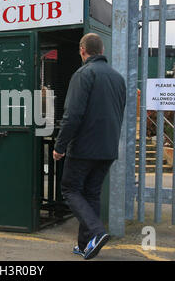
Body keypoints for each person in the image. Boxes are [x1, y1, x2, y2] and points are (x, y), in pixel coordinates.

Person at [53, 33, 126, 260]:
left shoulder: (83, 74)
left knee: (70, 189)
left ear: (82, 50)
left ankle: (97, 231)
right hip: (108, 148)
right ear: (101, 51)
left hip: (84, 147)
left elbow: (72, 115)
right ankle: (86, 245)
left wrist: (60, 145)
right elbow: (119, 113)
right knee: (91, 193)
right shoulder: (118, 78)